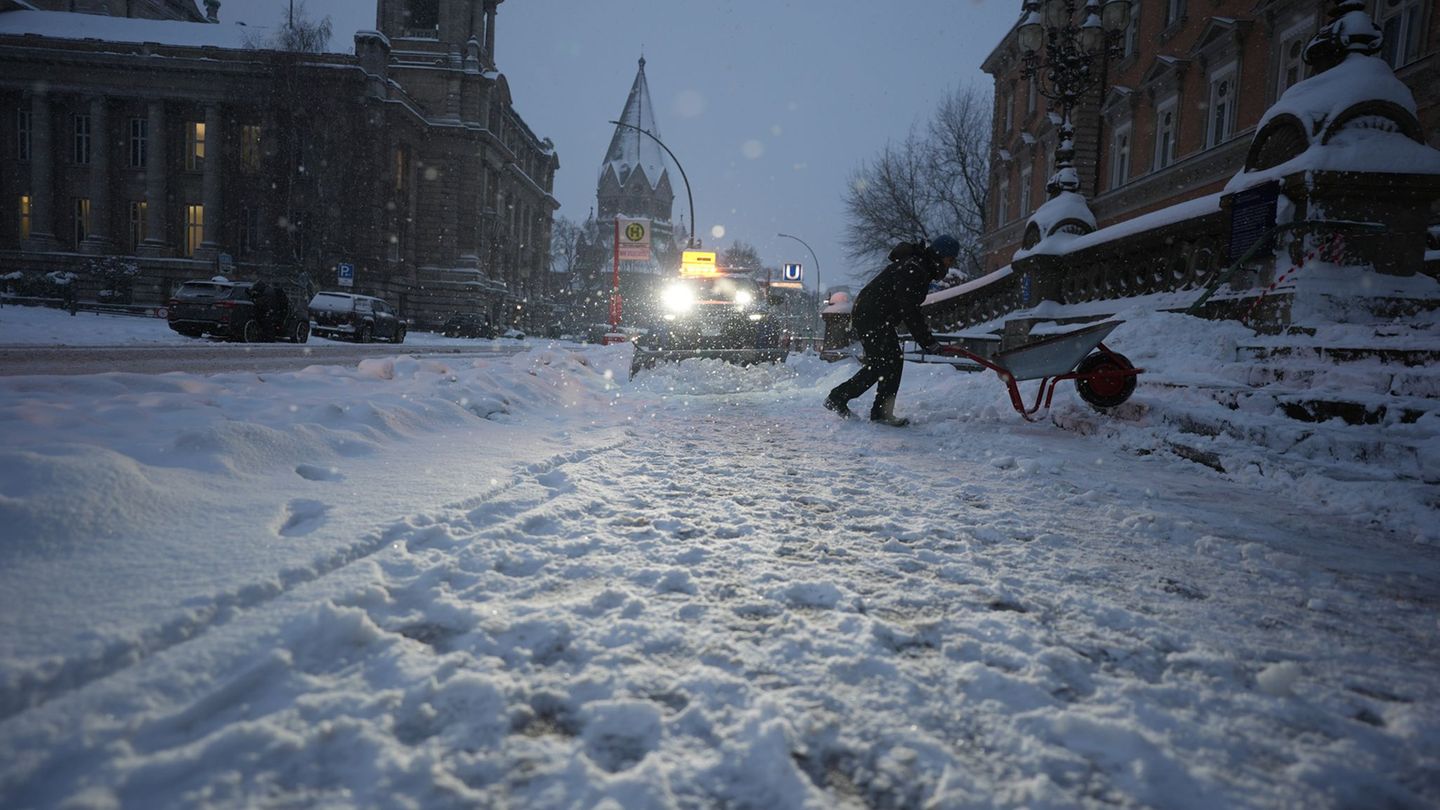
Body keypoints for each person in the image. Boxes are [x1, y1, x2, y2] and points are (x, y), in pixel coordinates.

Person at [824, 234, 959, 426]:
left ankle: (870, 408)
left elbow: (908, 307)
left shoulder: (921, 266)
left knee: (889, 362)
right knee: (886, 363)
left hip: (874, 315)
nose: (950, 263)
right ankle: (853, 403)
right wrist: (927, 341)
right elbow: (909, 309)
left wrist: (926, 339)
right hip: (871, 316)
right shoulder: (915, 268)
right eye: (950, 258)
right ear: (940, 254)